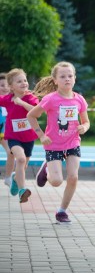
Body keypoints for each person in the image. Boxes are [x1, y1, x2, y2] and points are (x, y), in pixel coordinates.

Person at [27, 62, 89, 223]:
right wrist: (41, 135)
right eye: (62, 76)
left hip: (73, 142)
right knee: (56, 181)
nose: (67, 79)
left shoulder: (80, 100)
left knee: (73, 177)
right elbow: (31, 116)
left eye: (70, 76)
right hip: (53, 144)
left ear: (74, 79)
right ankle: (47, 166)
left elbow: (86, 122)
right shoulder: (50, 99)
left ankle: (62, 211)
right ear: (55, 80)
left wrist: (84, 127)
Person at [0, 68, 39, 203]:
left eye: (25, 80)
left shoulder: (31, 98)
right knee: (20, 160)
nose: (24, 83)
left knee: (23, 165)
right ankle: (23, 190)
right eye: (19, 81)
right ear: (11, 87)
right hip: (13, 137)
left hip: (28, 138)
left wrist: (21, 102)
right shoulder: (7, 99)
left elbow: (36, 112)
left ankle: (16, 180)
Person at [0, 72, 15, 187]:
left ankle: (8, 177)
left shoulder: (13, 100)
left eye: (7, 85)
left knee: (11, 151)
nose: (5, 88)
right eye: (1, 85)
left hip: (5, 132)